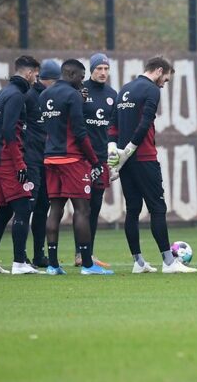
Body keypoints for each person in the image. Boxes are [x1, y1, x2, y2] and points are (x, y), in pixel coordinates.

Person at [108, 57, 196, 274]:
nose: (164, 84)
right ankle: (169, 262)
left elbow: (112, 124)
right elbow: (144, 123)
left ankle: (138, 262)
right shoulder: (151, 90)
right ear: (158, 71)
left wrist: (115, 152)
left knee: (132, 210)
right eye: (165, 79)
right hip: (144, 158)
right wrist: (128, 151)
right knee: (157, 208)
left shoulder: (125, 89)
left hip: (125, 161)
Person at [39, 59, 113, 275]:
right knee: (82, 210)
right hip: (72, 159)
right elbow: (80, 133)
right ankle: (88, 264)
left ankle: (53, 265)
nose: (82, 82)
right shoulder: (72, 96)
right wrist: (94, 160)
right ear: (71, 74)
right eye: (81, 77)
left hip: (50, 158)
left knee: (55, 210)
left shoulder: (44, 95)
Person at [0, 55, 41, 274]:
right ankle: (19, 262)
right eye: (36, 76)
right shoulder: (17, 96)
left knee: (4, 212)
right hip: (10, 161)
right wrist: (20, 165)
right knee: (22, 207)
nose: (36, 81)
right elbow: (10, 132)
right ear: (28, 73)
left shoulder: (0, 94)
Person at [73, 53, 117, 269]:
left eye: (106, 69)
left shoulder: (112, 94)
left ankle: (88, 252)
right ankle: (80, 254)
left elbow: (113, 127)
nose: (103, 72)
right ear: (91, 70)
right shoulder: (81, 92)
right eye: (99, 68)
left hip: (101, 158)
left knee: (96, 205)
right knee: (83, 206)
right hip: (82, 157)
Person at [23, 59, 59, 268]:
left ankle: (38, 254)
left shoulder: (52, 97)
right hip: (32, 160)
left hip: (48, 159)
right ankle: (21, 255)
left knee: (43, 207)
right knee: (27, 207)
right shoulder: (28, 97)